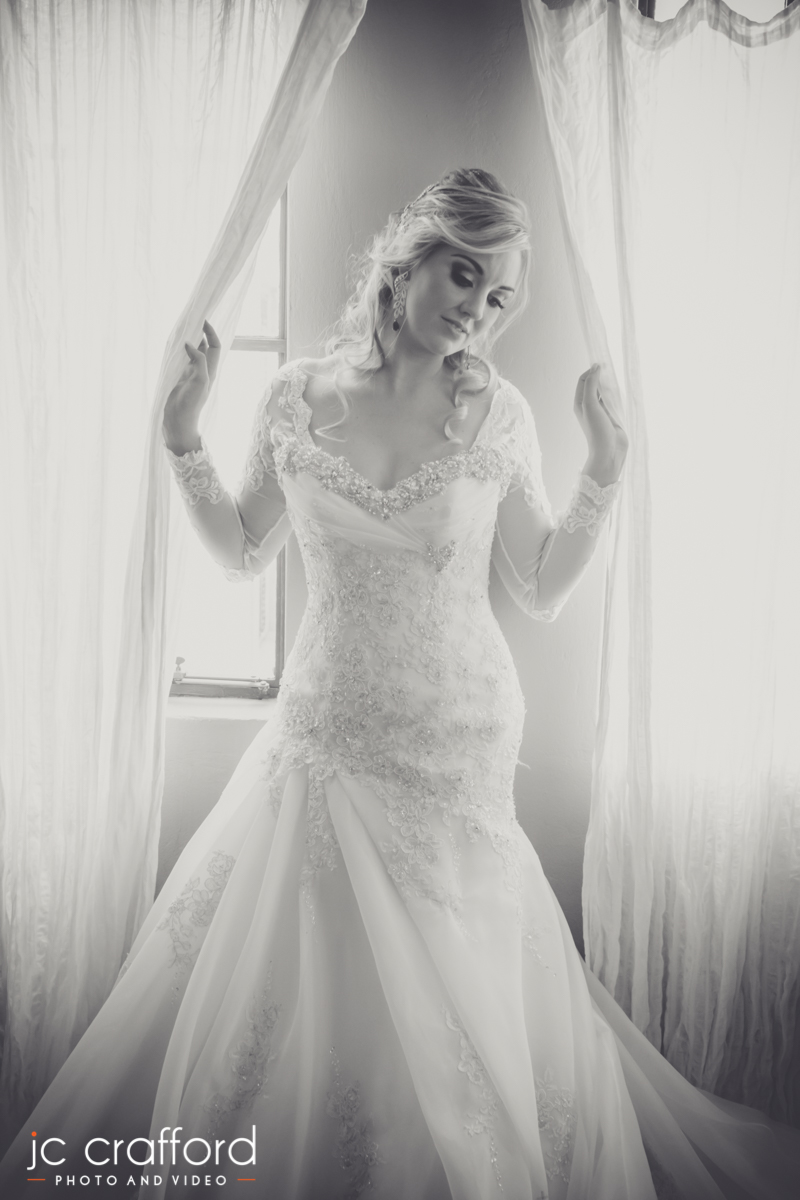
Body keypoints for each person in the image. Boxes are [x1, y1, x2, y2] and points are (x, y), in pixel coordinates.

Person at [1, 168, 798, 1200]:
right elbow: (242, 550)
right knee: (311, 972)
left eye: (498, 296)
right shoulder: (294, 394)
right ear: (406, 260)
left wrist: (605, 466)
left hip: (455, 737)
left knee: (458, 993)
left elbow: (540, 584)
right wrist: (182, 438)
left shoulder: (498, 412)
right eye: (463, 276)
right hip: (326, 726)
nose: (477, 311)